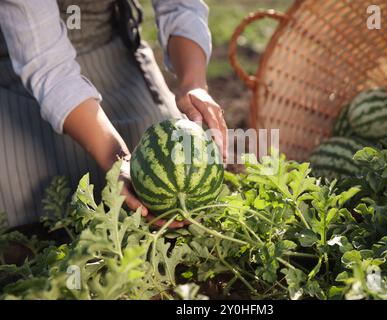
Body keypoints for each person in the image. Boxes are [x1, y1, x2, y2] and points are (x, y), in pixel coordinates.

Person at [0, 0, 228, 228]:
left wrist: (192, 83)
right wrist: (117, 158)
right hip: (17, 65)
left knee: (162, 152)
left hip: (109, 48)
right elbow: (47, 67)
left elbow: (180, 5)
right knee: (18, 179)